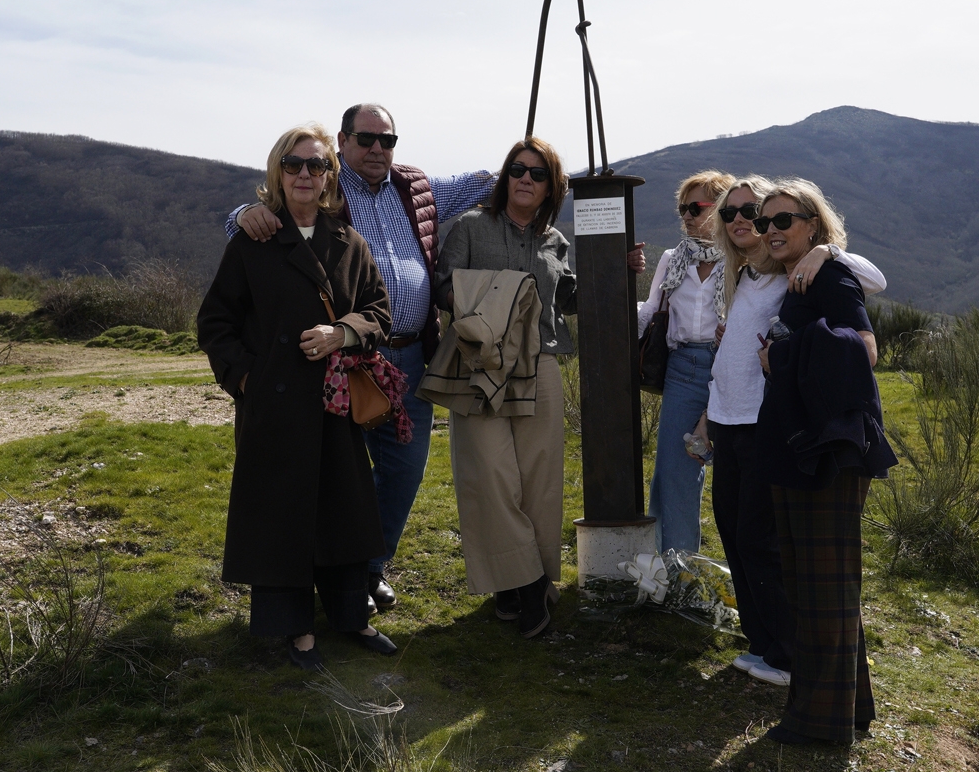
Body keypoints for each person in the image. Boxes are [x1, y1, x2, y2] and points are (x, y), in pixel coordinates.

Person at [224, 104, 495, 613]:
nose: (377, 150)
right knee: (335, 476)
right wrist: (240, 213)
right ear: (343, 142)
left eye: (387, 140)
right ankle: (331, 581)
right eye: (366, 139)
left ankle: (368, 569)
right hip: (340, 361)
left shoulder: (416, 187)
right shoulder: (323, 181)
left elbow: (485, 184)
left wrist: (550, 173)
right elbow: (259, 221)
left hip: (410, 355)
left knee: (404, 471)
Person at [197, 124, 401, 670]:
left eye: (316, 165)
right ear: (277, 173)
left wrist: (345, 332)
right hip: (275, 407)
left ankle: (350, 617)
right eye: (294, 165)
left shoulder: (348, 243)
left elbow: (380, 312)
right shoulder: (252, 242)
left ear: (332, 175)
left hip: (335, 408)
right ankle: (294, 629)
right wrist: (247, 381)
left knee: (344, 511)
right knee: (281, 516)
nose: (305, 175)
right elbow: (215, 323)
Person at [431, 137, 646, 638]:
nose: (526, 179)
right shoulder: (469, 227)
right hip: (478, 361)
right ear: (506, 176)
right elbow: (443, 286)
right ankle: (529, 586)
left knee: (539, 481)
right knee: (492, 476)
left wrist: (616, 264)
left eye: (538, 173)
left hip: (542, 362)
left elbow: (568, 297)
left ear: (553, 185)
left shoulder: (555, 240)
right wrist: (491, 302)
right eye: (517, 169)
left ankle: (519, 585)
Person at [697, 176, 887, 691]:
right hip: (728, 419)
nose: (751, 223)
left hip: (766, 422)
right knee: (735, 533)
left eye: (762, 215)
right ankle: (761, 641)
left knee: (763, 540)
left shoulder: (801, 270)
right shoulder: (748, 276)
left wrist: (825, 249)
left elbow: (870, 280)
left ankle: (786, 652)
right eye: (745, 216)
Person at [753, 178, 897, 746]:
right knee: (818, 584)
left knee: (823, 587)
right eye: (766, 223)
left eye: (783, 220)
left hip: (830, 452)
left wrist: (782, 353)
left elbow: (864, 347)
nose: (771, 231)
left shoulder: (829, 274)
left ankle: (819, 724)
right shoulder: (799, 275)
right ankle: (849, 707)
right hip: (805, 447)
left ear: (813, 224)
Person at [636, 173, 847, 554]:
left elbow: (861, 279)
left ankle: (733, 581)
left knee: (750, 500)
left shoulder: (756, 261)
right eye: (683, 207)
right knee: (674, 471)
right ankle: (675, 567)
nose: (687, 215)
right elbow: (652, 309)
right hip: (686, 366)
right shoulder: (683, 259)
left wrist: (825, 251)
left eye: (697, 207)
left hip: (744, 378)